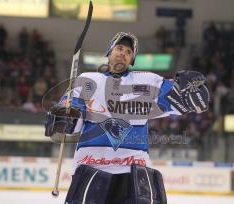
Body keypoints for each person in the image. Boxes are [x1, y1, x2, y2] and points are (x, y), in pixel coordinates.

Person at [44, 32, 209, 204]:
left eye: (129, 52)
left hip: (133, 170)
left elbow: (179, 101)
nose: (123, 53)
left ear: (132, 60)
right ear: (109, 52)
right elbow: (69, 123)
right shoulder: (86, 81)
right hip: (91, 166)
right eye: (120, 48)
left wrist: (188, 94)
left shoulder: (148, 81)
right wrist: (63, 118)